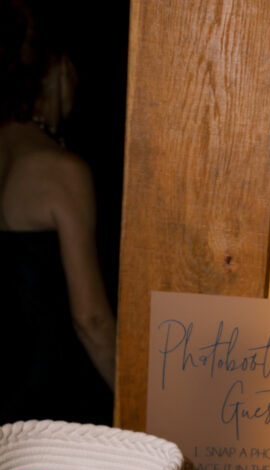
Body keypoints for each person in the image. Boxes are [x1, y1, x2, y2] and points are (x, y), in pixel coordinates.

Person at [0, 1, 115, 424]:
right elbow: (92, 321)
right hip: (45, 413)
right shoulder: (63, 171)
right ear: (61, 68)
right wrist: (144, 405)